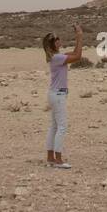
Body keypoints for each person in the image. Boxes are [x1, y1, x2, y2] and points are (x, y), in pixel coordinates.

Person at [42, 24, 83, 168]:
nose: (59, 41)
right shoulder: (58, 58)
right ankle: (58, 160)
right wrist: (79, 36)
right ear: (53, 44)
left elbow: (73, 53)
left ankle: (50, 158)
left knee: (54, 126)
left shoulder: (56, 57)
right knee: (62, 127)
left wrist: (77, 41)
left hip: (55, 94)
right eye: (57, 39)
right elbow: (78, 56)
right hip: (58, 95)